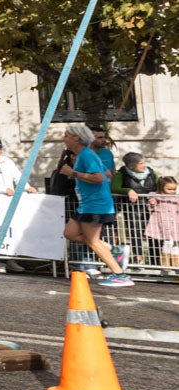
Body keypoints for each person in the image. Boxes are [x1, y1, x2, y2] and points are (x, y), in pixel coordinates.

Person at [60, 122, 133, 287]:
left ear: (76, 138)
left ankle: (120, 275)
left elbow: (99, 178)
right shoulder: (85, 154)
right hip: (86, 204)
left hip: (95, 204)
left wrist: (73, 173)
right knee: (70, 233)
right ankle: (115, 250)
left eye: (66, 136)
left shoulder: (87, 155)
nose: (63, 139)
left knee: (93, 241)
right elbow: (105, 173)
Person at [143, 176, 179, 270]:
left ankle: (176, 265)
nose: (172, 191)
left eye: (174, 189)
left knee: (175, 243)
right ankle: (165, 264)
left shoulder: (176, 198)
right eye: (169, 189)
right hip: (161, 223)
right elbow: (150, 205)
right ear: (161, 187)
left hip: (174, 223)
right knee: (167, 242)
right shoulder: (156, 196)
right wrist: (152, 203)